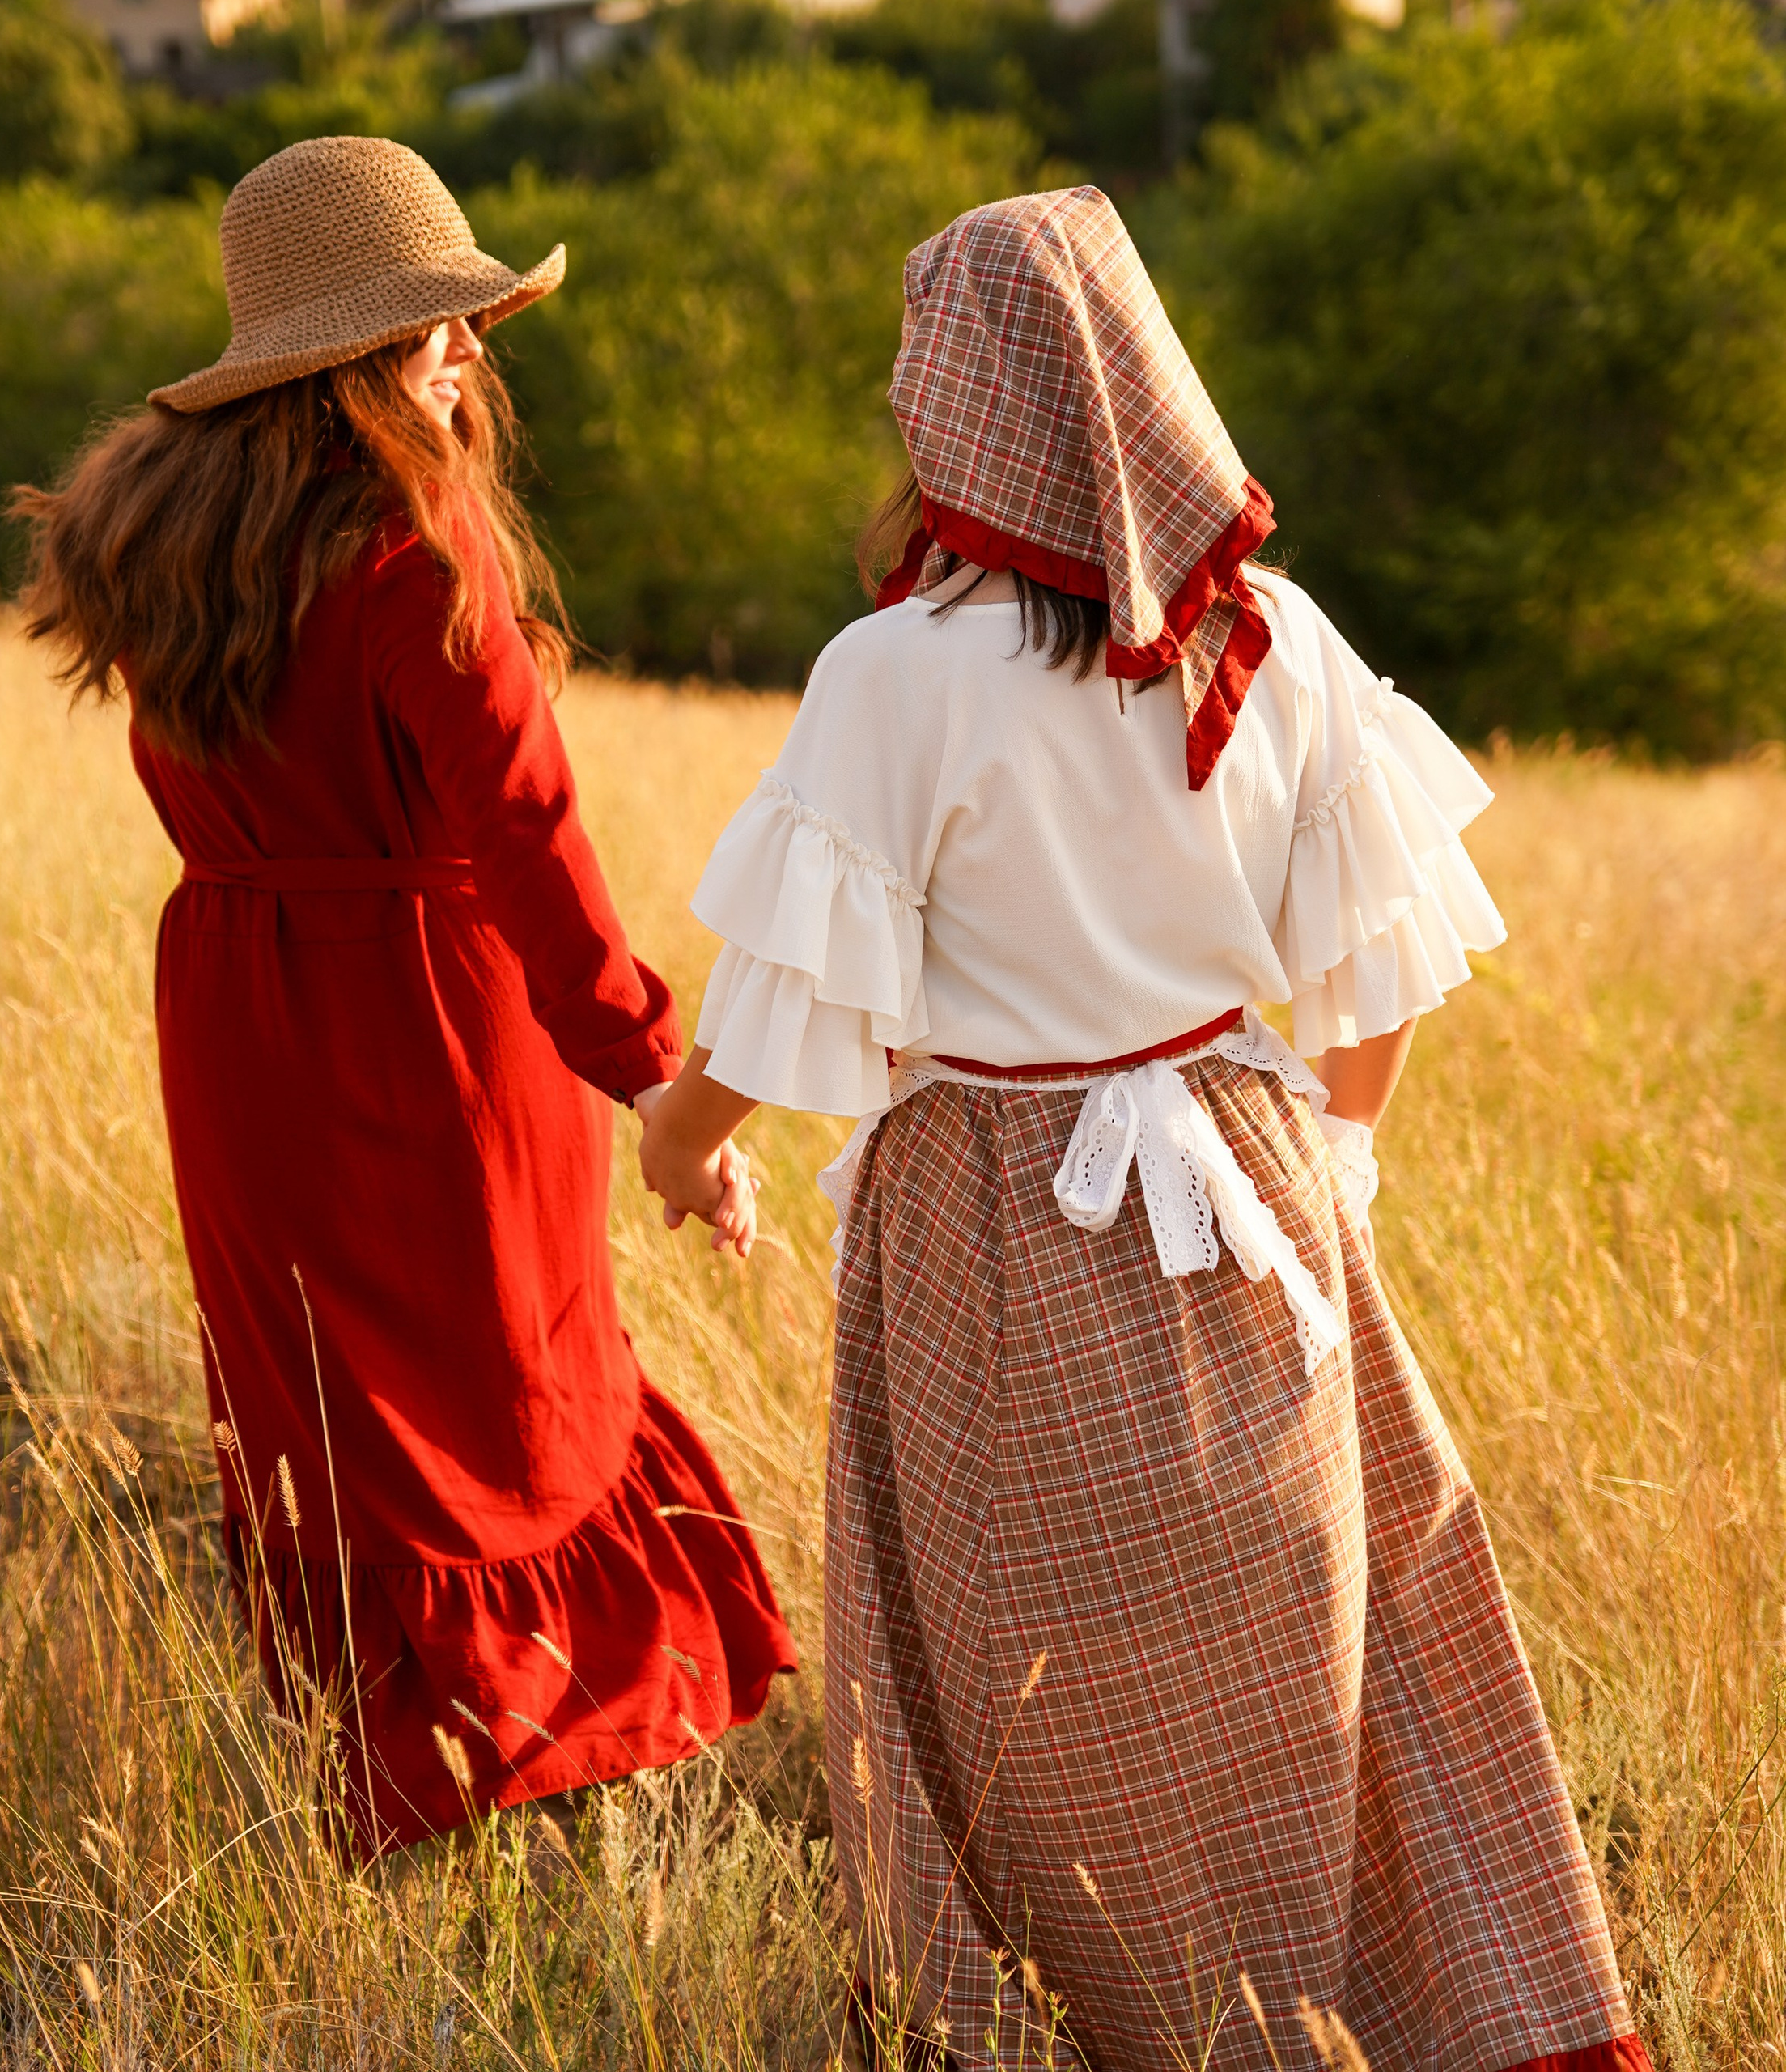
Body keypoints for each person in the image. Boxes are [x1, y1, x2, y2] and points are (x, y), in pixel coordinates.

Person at [639, 189, 1648, 2071]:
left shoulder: (894, 673)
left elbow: (780, 989)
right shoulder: (1270, 635)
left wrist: (678, 1141)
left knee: (1008, 1691)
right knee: (1309, 1648)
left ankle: (1079, 2024)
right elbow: (1377, 950)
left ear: (953, 405)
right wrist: (1337, 1155)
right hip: (1254, 1189)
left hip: (990, 1226)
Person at [14, 136, 795, 1857]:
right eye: (431, 324)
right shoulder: (411, 553)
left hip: (238, 1017)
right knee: (498, 1408)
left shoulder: (171, 538)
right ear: (346, 358)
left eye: (466, 319)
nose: (465, 353)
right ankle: (516, 1783)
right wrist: (655, 1078)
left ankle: (379, 1786)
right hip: (432, 1026)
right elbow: (530, 835)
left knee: (328, 1414)